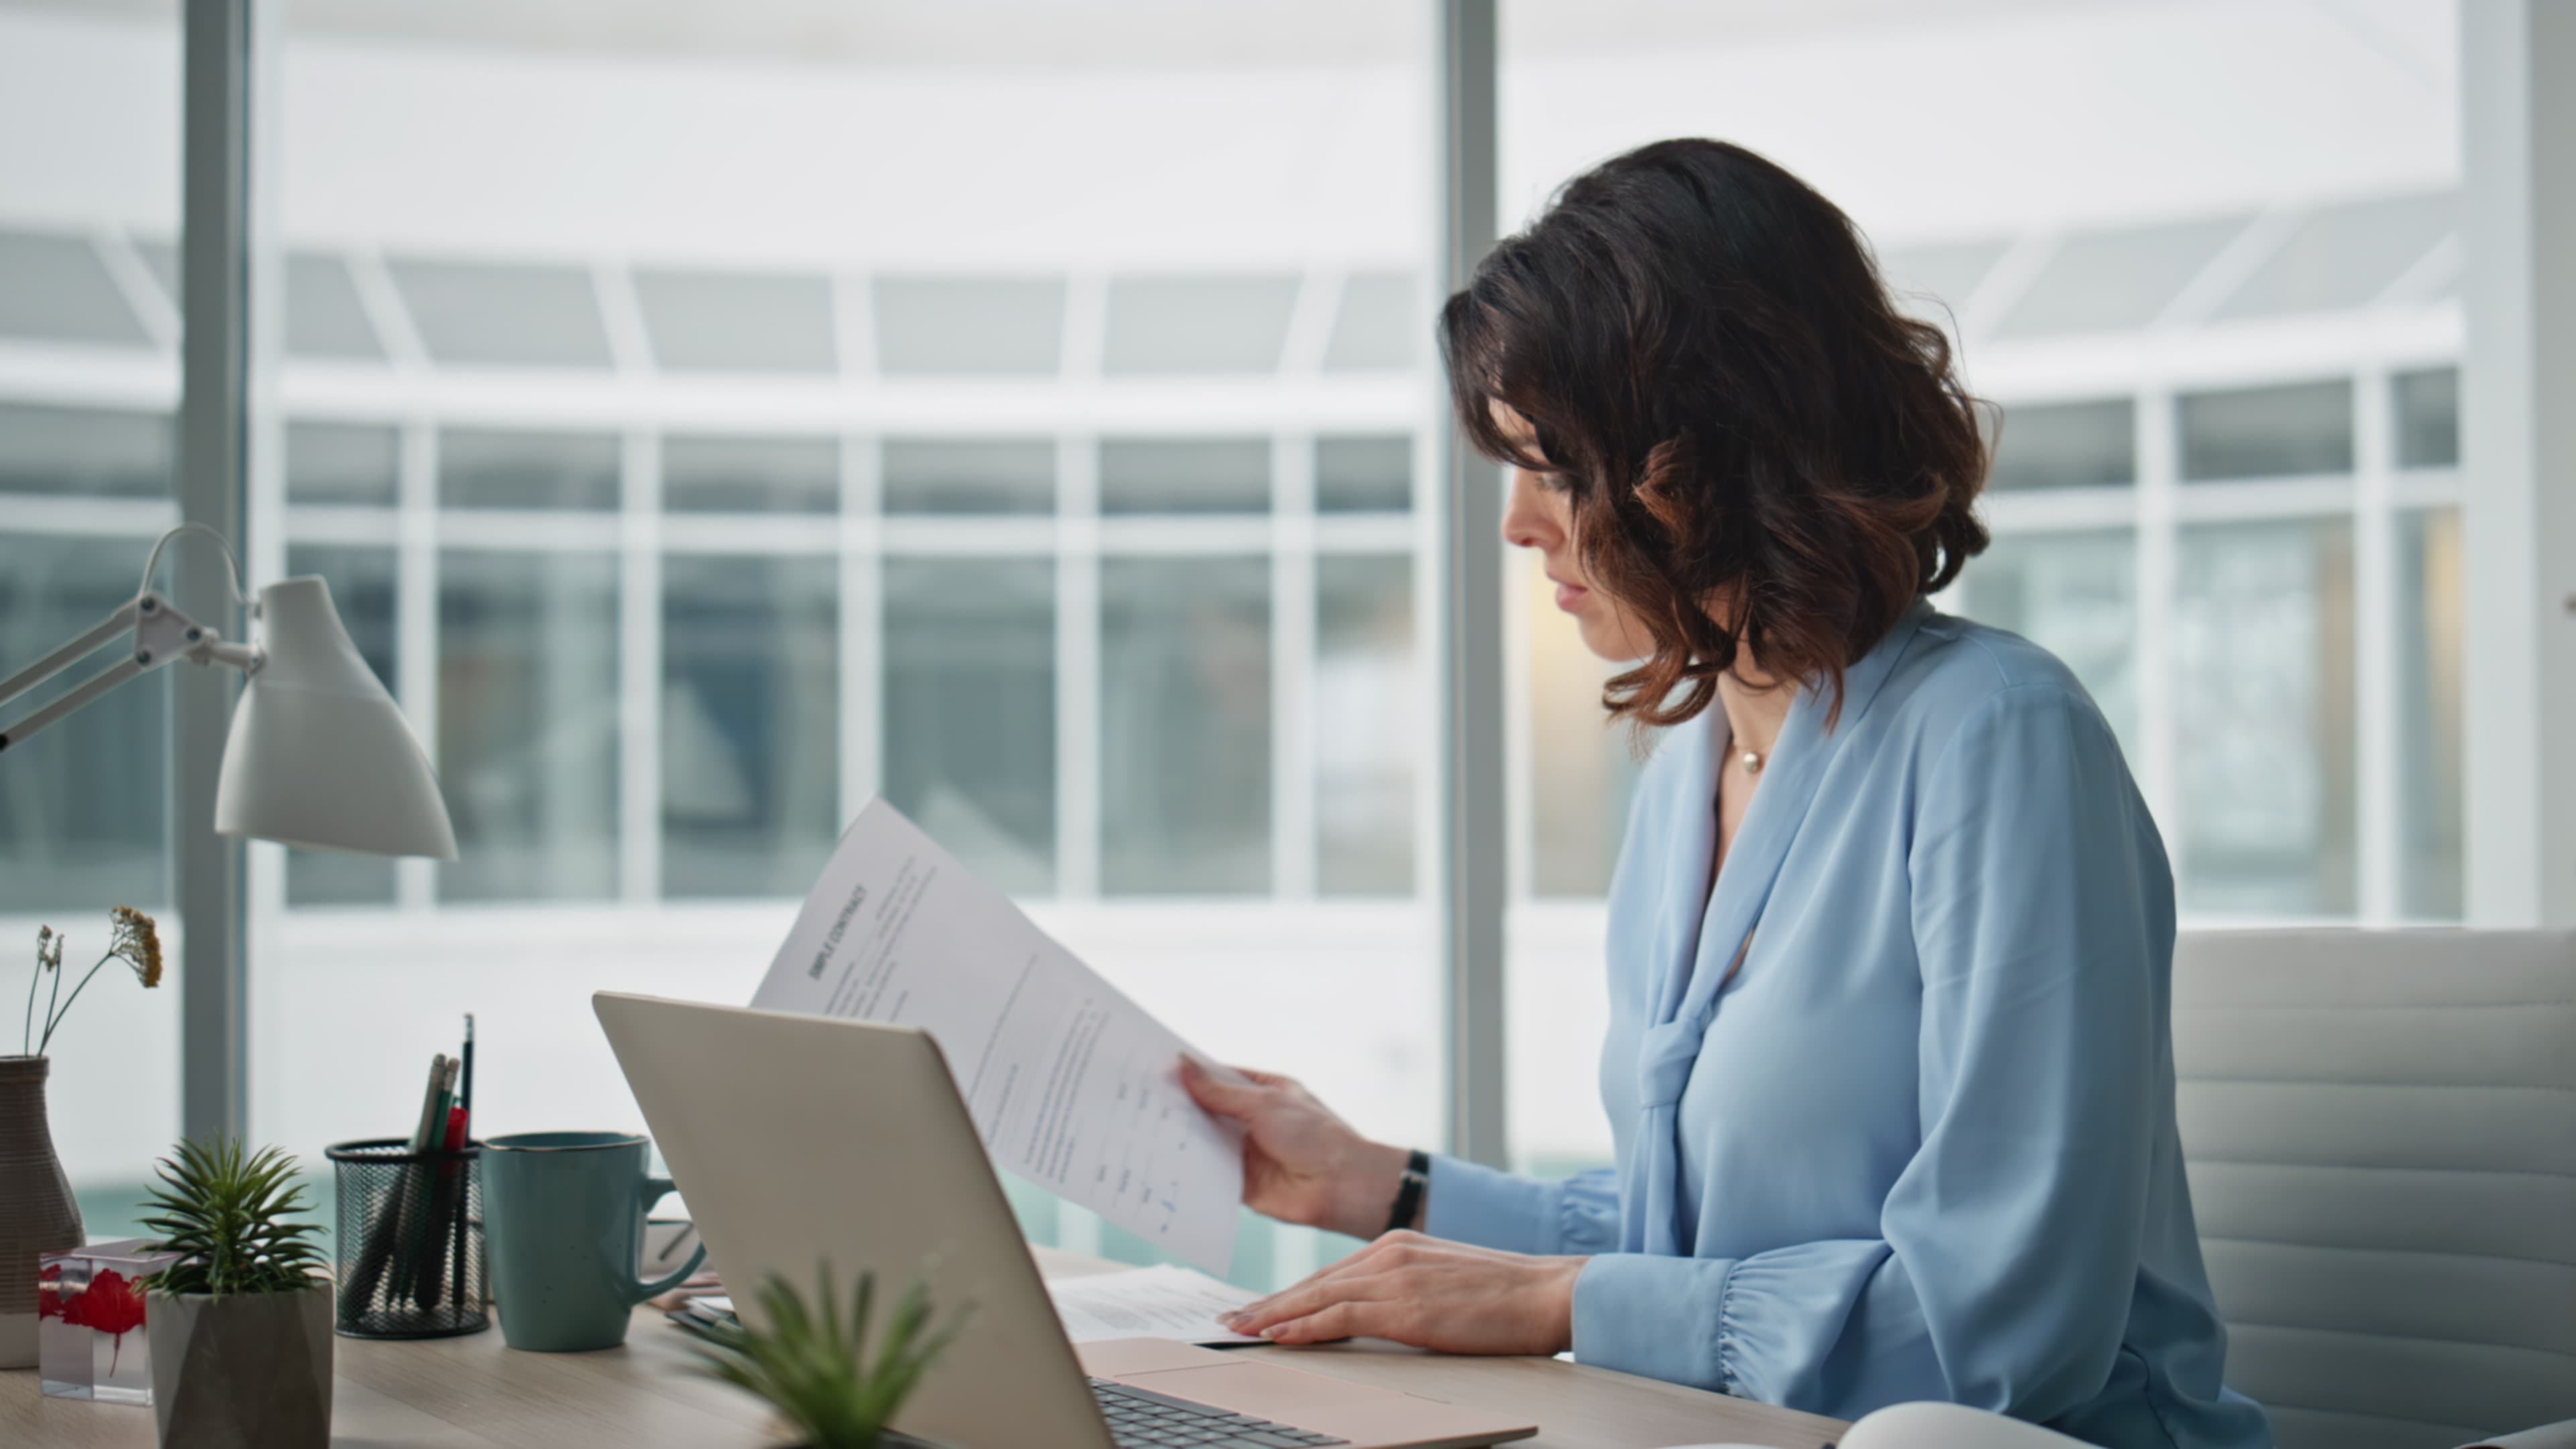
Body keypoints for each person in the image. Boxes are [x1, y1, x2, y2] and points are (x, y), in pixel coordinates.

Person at [1181, 139, 2271, 1448]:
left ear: (1707, 456)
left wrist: (1561, 1303)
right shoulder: (1688, 772)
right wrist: (1382, 1186)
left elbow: (2000, 1332)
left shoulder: (2001, 741)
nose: (1519, 526)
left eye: (1555, 468)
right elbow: (1692, 1246)